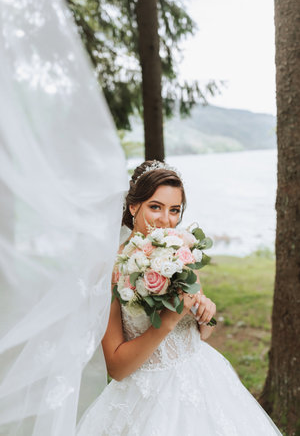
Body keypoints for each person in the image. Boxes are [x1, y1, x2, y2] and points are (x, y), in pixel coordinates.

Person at [76, 160, 282, 436]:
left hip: (204, 378)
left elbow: (203, 332)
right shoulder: (111, 269)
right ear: (133, 206)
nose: (166, 220)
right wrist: (168, 320)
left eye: (174, 210)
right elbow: (117, 368)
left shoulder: (179, 249)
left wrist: (206, 313)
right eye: (155, 207)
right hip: (145, 397)